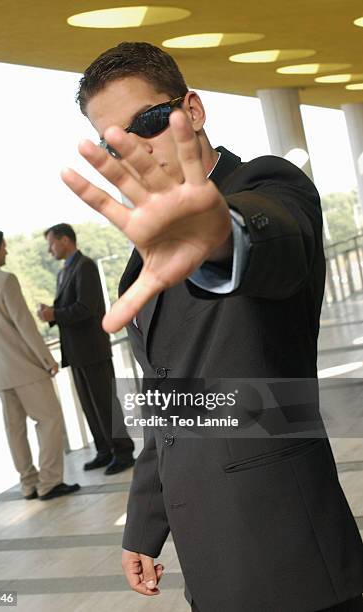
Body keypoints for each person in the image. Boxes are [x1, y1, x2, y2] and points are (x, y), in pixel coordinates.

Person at [60, 42, 363, 611]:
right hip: (208, 553)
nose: (133, 150)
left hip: (287, 551)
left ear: (192, 110)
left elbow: (273, 235)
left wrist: (221, 235)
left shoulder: (268, 186)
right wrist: (144, 524)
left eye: (147, 123)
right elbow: (172, 402)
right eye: (112, 142)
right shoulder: (143, 258)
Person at [0, 229, 81, 501]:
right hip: (26, 367)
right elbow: (24, 324)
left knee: (15, 429)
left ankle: (28, 483)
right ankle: (50, 482)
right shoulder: (5, 280)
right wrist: (47, 359)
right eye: (4, 247)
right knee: (49, 420)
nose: (7, 251)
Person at [37, 223, 135, 475]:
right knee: (89, 405)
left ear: (66, 240)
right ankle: (104, 449)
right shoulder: (63, 272)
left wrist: (54, 313)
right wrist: (52, 314)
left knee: (104, 402)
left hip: (92, 348)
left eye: (51, 243)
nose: (50, 250)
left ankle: (123, 451)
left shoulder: (86, 266)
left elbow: (85, 307)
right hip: (76, 351)